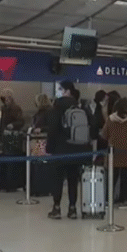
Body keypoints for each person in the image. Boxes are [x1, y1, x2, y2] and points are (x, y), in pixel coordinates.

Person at [46, 81, 90, 220]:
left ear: (67, 91)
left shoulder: (56, 108)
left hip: (60, 149)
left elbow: (52, 130)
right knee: (73, 179)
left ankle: (57, 208)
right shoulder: (81, 107)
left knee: (57, 179)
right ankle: (72, 209)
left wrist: (49, 148)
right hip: (77, 149)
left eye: (60, 89)